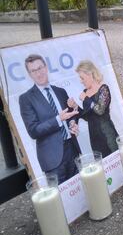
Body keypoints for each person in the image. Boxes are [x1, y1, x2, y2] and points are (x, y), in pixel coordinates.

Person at [19, 54, 80, 184]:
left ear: (46, 68)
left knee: (79, 190)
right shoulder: (26, 99)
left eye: (40, 68)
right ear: (30, 74)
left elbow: (70, 116)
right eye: (33, 71)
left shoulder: (60, 91)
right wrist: (58, 119)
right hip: (52, 159)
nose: (38, 73)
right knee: (60, 199)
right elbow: (33, 131)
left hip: (73, 150)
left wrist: (73, 123)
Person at [67, 60, 118, 158]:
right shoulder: (85, 91)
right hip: (94, 137)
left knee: (115, 160)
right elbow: (88, 117)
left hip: (107, 135)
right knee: (102, 165)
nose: (81, 81)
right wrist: (75, 106)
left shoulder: (103, 89)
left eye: (82, 78)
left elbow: (100, 110)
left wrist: (86, 99)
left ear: (90, 74)